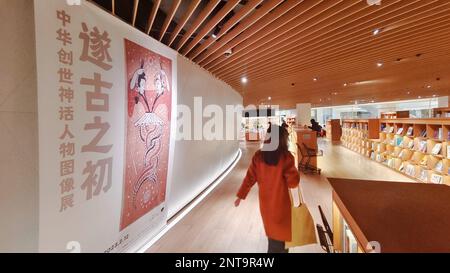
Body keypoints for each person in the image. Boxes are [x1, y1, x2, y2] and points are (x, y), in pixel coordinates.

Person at [234, 125, 301, 253]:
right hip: (281, 206)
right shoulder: (286, 158)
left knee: (274, 239)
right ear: (283, 139)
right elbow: (293, 183)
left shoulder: (259, 156)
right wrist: (295, 172)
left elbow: (249, 178)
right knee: (280, 244)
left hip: (266, 207)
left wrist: (240, 196)